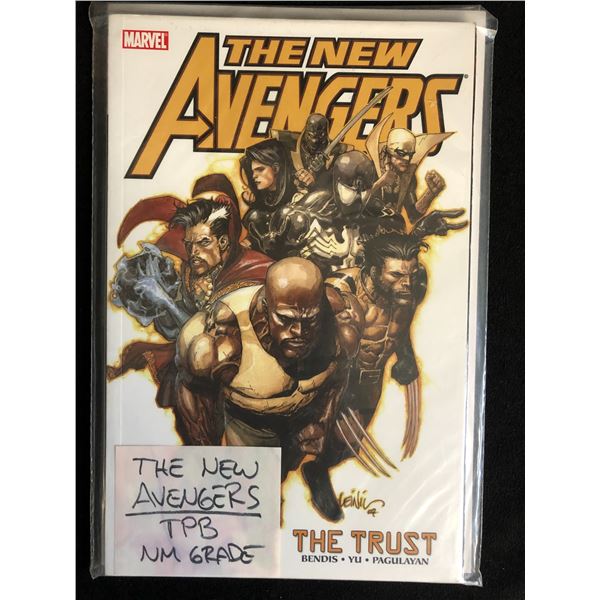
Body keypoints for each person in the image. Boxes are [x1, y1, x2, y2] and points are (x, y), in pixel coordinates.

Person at [176, 257, 364, 521]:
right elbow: (191, 392)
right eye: (285, 319)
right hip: (252, 426)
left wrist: (324, 418)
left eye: (310, 320)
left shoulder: (341, 321)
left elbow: (339, 374)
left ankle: (315, 475)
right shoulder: (221, 335)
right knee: (258, 510)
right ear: (266, 307)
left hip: (306, 418)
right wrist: (207, 454)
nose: (299, 331)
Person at [107, 174, 273, 413]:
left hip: (252, 375)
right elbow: (176, 332)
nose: (193, 252)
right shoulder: (190, 273)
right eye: (189, 245)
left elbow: (202, 334)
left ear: (223, 242)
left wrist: (166, 302)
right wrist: (156, 304)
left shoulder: (254, 271)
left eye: (203, 243)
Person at [366, 116, 453, 231]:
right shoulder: (368, 169)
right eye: (401, 153)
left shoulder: (407, 176)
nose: (407, 159)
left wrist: (430, 193)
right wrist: (379, 183)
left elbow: (413, 216)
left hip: (394, 234)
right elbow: (351, 205)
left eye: (410, 154)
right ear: (389, 152)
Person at [239, 139, 297, 254]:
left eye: (260, 170)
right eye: (253, 171)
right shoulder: (260, 200)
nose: (254, 176)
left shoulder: (295, 195)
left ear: (275, 169)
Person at [271, 113, 353, 189]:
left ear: (326, 134)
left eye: (320, 135)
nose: (314, 140)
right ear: (305, 131)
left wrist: (320, 174)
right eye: (310, 134)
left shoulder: (341, 150)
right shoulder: (288, 140)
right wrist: (294, 176)